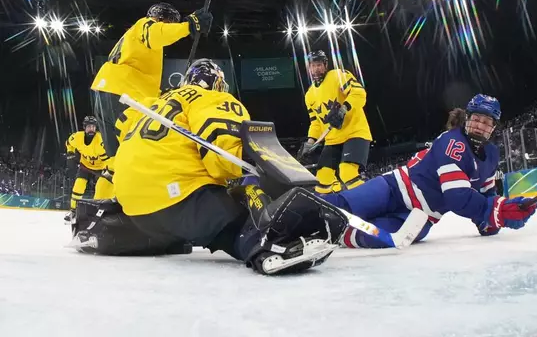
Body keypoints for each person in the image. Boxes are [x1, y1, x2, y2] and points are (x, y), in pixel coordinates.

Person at [73, 59, 347, 275]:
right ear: (217, 83)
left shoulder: (152, 105)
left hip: (133, 205)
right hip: (175, 198)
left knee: (203, 218)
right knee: (236, 215)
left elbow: (122, 134)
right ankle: (268, 247)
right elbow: (222, 163)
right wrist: (243, 178)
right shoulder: (214, 99)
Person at [320, 94, 537, 248]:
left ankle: (333, 236)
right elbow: (457, 197)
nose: (480, 125)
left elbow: (486, 196)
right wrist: (495, 210)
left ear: (493, 127)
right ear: (468, 119)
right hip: (393, 190)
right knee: (339, 207)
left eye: (487, 121)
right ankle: (295, 215)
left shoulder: (491, 154)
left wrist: (491, 222)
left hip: (422, 217)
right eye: (477, 119)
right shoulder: (453, 141)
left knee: (371, 235)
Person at [91, 2, 213, 158]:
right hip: (124, 96)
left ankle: (114, 181)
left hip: (108, 93)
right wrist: (189, 25)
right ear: (164, 19)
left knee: (117, 158)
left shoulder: (135, 43)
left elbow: (144, 79)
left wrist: (165, 95)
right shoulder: (146, 24)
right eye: (171, 23)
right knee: (139, 151)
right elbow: (157, 33)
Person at [297, 50, 372, 194]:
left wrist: (344, 109)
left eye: (319, 65)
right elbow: (316, 123)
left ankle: (370, 202)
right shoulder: (309, 95)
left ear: (325, 65)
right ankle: (335, 205)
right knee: (322, 178)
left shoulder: (338, 76)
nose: (316, 69)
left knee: (347, 171)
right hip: (332, 139)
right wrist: (310, 143)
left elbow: (359, 93)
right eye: (312, 66)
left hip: (354, 132)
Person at [64, 116, 114, 222]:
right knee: (78, 186)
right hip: (85, 166)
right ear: (84, 127)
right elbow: (69, 143)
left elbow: (108, 159)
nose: (91, 129)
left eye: (93, 126)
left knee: (102, 190)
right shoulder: (77, 137)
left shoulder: (101, 140)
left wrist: (109, 171)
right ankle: (73, 211)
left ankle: (99, 210)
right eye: (89, 126)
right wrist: (70, 152)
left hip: (101, 168)